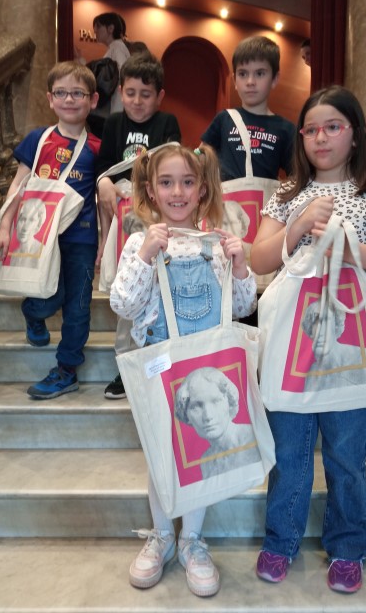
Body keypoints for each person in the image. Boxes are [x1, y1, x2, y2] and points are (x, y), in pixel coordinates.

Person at [250, 85, 366, 593]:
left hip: (351, 344)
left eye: (333, 127)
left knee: (347, 454)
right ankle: (281, 540)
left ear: (354, 133)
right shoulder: (287, 193)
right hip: (291, 344)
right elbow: (258, 259)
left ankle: (348, 547)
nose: (320, 138)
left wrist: (352, 250)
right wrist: (298, 225)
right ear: (300, 137)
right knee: (289, 451)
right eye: (311, 129)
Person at [110, 143, 257, 597]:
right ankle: (162, 536)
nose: (178, 192)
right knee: (161, 456)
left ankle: (192, 539)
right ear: (151, 190)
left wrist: (240, 266)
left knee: (200, 456)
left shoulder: (217, 247)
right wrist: (144, 255)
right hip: (159, 368)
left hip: (205, 370)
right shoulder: (139, 242)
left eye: (188, 182)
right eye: (167, 183)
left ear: (202, 190)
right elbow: (123, 303)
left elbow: (242, 306)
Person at [0, 61, 109, 400]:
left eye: (78, 93)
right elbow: (18, 186)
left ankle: (66, 370)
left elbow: (102, 198)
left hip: (81, 239)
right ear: (50, 98)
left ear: (93, 100)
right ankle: (32, 313)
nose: (69, 99)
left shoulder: (97, 148)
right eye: (61, 92)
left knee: (78, 306)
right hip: (40, 237)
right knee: (47, 299)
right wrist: (4, 227)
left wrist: (103, 241)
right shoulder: (38, 140)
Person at [96, 52, 181, 400]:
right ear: (120, 92)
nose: (137, 101)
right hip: (123, 223)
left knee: (156, 295)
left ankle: (159, 365)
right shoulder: (114, 123)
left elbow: (173, 163)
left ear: (159, 96)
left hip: (156, 222)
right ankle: (126, 368)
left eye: (145, 94)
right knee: (129, 292)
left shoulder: (168, 122)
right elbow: (104, 168)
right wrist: (103, 182)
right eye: (130, 93)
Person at [201, 35, 295, 184]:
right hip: (224, 198)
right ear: (235, 80)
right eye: (243, 74)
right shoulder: (224, 119)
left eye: (260, 73)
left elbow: (297, 177)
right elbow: (201, 155)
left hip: (266, 199)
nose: (250, 82)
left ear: (275, 79)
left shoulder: (286, 129)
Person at [175, 367, 260, 479]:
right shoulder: (206, 462)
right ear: (186, 415)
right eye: (196, 406)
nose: (208, 416)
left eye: (215, 401)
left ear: (229, 402)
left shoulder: (255, 438)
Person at [92, 12, 130, 114]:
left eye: (98, 26)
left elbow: (123, 72)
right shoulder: (114, 47)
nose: (95, 30)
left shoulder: (117, 47)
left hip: (117, 102)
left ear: (110, 28)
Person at [9, 198, 47, 268]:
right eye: (23, 219)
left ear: (38, 225)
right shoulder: (14, 254)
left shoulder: (43, 252)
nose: (25, 228)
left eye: (31, 220)